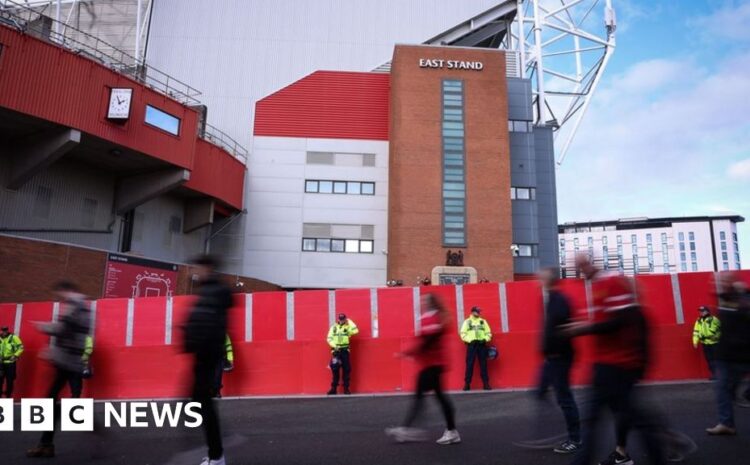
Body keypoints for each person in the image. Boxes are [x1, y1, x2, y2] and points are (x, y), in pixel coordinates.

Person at [564, 254, 665, 465]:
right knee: (615, 417)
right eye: (577, 268)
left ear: (591, 262)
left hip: (615, 367)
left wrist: (584, 328)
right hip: (606, 366)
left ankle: (643, 453)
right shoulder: (597, 288)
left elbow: (621, 321)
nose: (580, 271)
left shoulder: (611, 283)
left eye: (582, 265)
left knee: (628, 418)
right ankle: (627, 454)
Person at [27, 281, 92, 459]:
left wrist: (42, 326)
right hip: (72, 359)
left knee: (50, 401)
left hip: (67, 361)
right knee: (51, 399)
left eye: (59, 293)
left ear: (65, 290)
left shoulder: (73, 304)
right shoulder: (85, 307)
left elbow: (62, 329)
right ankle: (46, 443)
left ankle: (48, 443)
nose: (58, 297)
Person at [386, 294, 460, 445]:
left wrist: (408, 353)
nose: (421, 303)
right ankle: (451, 431)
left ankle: (407, 429)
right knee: (438, 397)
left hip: (432, 365)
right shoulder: (436, 317)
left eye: (424, 301)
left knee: (422, 397)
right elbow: (428, 341)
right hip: (434, 364)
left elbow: (428, 341)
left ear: (430, 303)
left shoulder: (431, 318)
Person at [183, 255, 234, 465]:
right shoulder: (209, 290)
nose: (195, 270)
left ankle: (217, 455)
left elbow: (207, 323)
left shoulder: (213, 291)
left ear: (208, 267)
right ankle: (216, 452)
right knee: (198, 403)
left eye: (198, 267)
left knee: (202, 405)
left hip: (207, 354)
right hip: (204, 354)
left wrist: (192, 339)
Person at [536, 268, 581, 454]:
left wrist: (554, 350)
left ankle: (575, 438)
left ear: (550, 280)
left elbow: (564, 328)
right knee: (539, 391)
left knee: (565, 398)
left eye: (542, 277)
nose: (539, 279)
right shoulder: (549, 299)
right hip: (551, 357)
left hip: (560, 357)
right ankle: (555, 429)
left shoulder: (559, 300)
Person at [706, 272, 750, 435]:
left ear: (733, 281)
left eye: (723, 280)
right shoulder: (723, 298)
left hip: (743, 354)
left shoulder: (743, 299)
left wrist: (742, 292)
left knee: (730, 388)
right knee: (722, 389)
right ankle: (726, 423)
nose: (718, 284)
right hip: (724, 355)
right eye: (717, 281)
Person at [460, 306, 492, 390]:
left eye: (479, 311)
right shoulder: (467, 322)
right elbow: (463, 333)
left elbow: (488, 333)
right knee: (469, 364)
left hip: (481, 345)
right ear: (473, 312)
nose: (479, 313)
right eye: (477, 311)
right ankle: (467, 384)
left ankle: (486, 384)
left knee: (483, 364)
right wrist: (469, 340)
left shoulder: (483, 321)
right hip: (472, 345)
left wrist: (485, 339)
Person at [327, 313, 359, 395]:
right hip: (336, 351)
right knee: (335, 369)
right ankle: (333, 389)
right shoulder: (333, 327)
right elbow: (329, 338)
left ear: (345, 319)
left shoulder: (348, 327)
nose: (342, 321)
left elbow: (356, 330)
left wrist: (349, 321)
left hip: (345, 350)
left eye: (343, 319)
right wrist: (335, 346)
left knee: (346, 369)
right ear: (338, 319)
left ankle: (346, 389)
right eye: (340, 319)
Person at [692, 306, 720, 379]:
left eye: (703, 311)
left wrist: (717, 337)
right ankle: (714, 374)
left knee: (716, 359)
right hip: (705, 343)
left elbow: (717, 330)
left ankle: (719, 374)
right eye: (700, 311)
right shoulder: (698, 321)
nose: (701, 312)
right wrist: (695, 341)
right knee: (709, 359)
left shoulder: (714, 320)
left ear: (707, 311)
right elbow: (696, 331)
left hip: (714, 343)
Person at [0, 325, 23, 398]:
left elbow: (21, 347)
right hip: (1, 363)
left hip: (10, 363)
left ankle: (8, 397)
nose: (4, 332)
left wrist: (15, 355)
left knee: (10, 381)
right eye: (3, 330)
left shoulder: (14, 338)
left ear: (7, 330)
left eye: (5, 330)